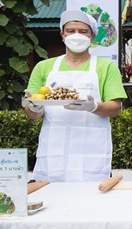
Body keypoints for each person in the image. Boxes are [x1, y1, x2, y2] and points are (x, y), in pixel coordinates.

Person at [23, 9, 126, 182]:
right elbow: (34, 114)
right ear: (62, 35)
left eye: (83, 31)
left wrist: (94, 106)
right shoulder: (44, 67)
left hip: (91, 152)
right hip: (53, 151)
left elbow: (115, 108)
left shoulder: (106, 67)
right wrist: (34, 107)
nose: (76, 35)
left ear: (92, 36)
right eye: (70, 31)